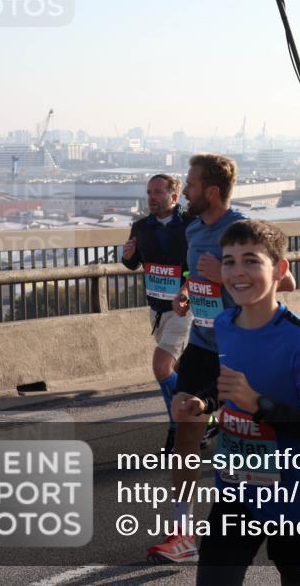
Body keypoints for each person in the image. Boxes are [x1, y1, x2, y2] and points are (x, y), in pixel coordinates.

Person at [174, 219, 300, 585]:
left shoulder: (298, 337)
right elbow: (230, 386)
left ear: (280, 270)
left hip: (293, 498)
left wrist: (258, 404)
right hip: (236, 490)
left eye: (251, 260)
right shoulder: (225, 324)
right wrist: (203, 403)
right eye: (229, 261)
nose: (237, 272)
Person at [148, 154, 296, 564]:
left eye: (191, 186)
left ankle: (276, 520)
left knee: (254, 443)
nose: (186, 192)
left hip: (244, 347)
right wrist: (188, 292)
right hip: (202, 343)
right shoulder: (194, 228)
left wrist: (224, 276)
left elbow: (286, 280)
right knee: (185, 426)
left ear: (211, 191)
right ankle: (183, 533)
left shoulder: (244, 230)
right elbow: (196, 276)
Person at [121, 174, 194, 452]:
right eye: (149, 192)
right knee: (178, 372)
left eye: (158, 192)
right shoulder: (140, 227)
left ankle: (179, 427)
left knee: (161, 366)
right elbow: (133, 263)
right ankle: (203, 417)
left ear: (174, 197)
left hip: (185, 308)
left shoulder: (191, 225)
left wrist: (186, 289)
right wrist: (128, 255)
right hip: (158, 310)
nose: (152, 197)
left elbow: (195, 266)